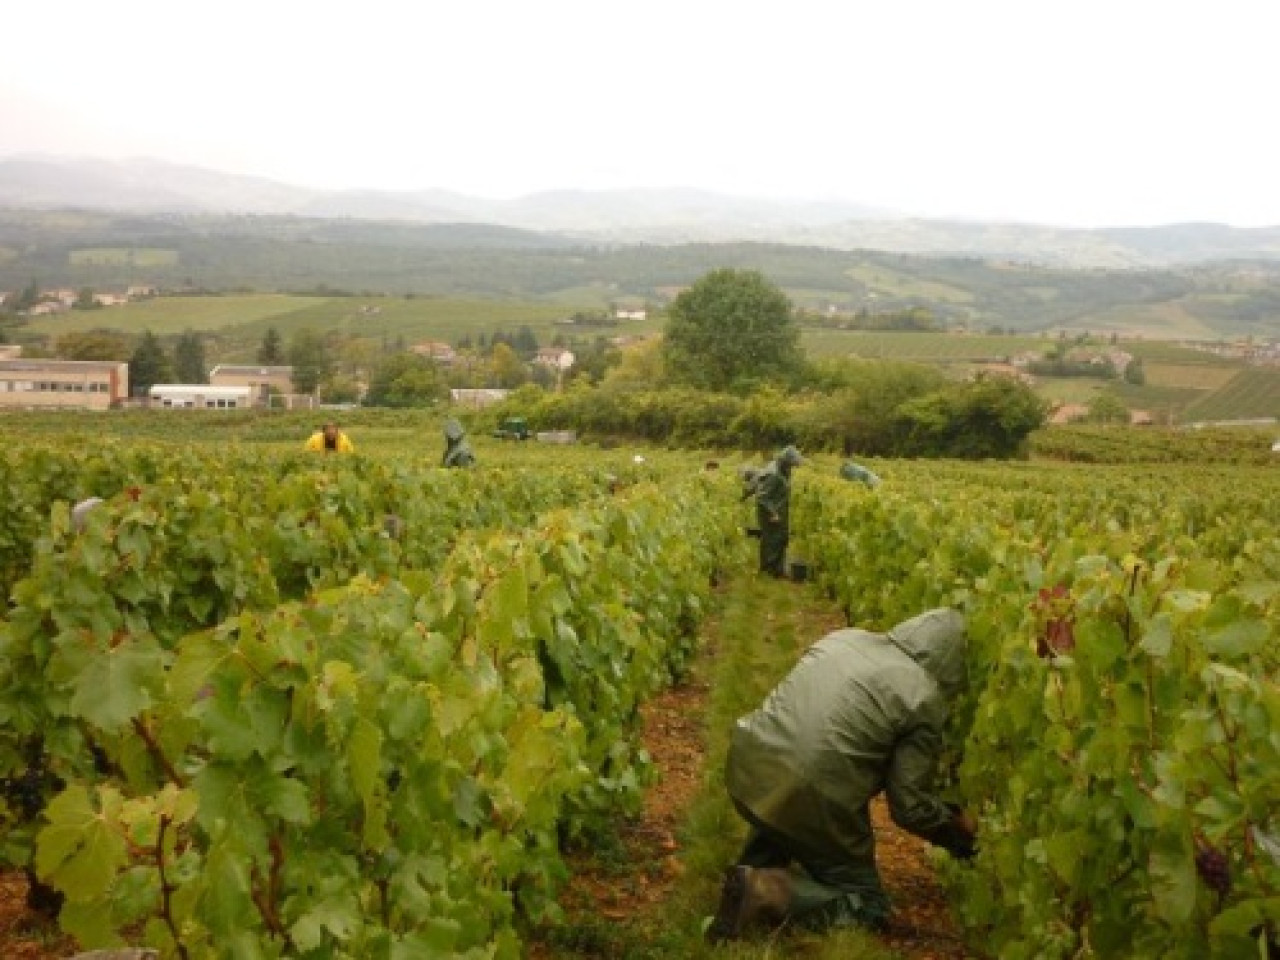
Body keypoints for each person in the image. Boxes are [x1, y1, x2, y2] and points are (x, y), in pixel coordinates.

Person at [708, 608, 977, 942]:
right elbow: (909, 806)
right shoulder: (924, 698)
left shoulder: (848, 639)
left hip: (750, 763)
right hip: (808, 793)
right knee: (867, 904)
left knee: (800, 774)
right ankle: (761, 891)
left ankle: (752, 869)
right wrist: (958, 833)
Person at [750, 446, 801, 577]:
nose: (792, 467)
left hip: (780, 509)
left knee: (781, 538)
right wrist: (773, 513)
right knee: (771, 540)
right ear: (785, 461)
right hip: (771, 513)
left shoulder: (782, 469)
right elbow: (763, 496)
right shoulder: (774, 474)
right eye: (791, 464)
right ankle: (768, 571)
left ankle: (778, 569)